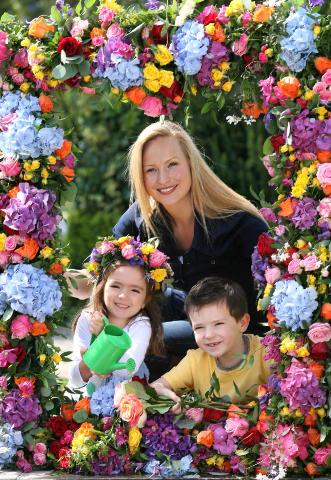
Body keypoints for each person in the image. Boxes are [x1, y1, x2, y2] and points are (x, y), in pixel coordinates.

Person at [67, 120, 267, 372]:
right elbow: (96, 275)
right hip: (187, 312)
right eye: (151, 170)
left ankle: (132, 384)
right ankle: (101, 384)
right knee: (138, 303)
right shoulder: (143, 216)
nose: (163, 179)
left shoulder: (240, 223)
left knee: (141, 338)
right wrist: (53, 277)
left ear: (191, 164)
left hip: (233, 331)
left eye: (172, 164)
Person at [69, 236, 171, 415]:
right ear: (101, 286)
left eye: (135, 290)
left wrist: (102, 339)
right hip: (87, 406)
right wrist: (89, 365)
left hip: (127, 408)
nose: (123, 296)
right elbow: (76, 379)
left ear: (145, 299)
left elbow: (127, 368)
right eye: (116, 286)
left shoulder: (141, 324)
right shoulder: (88, 319)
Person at [151, 277, 272, 406]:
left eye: (218, 324)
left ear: (242, 323)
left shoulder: (265, 353)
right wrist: (162, 392)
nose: (208, 335)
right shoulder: (195, 361)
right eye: (199, 327)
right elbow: (156, 386)